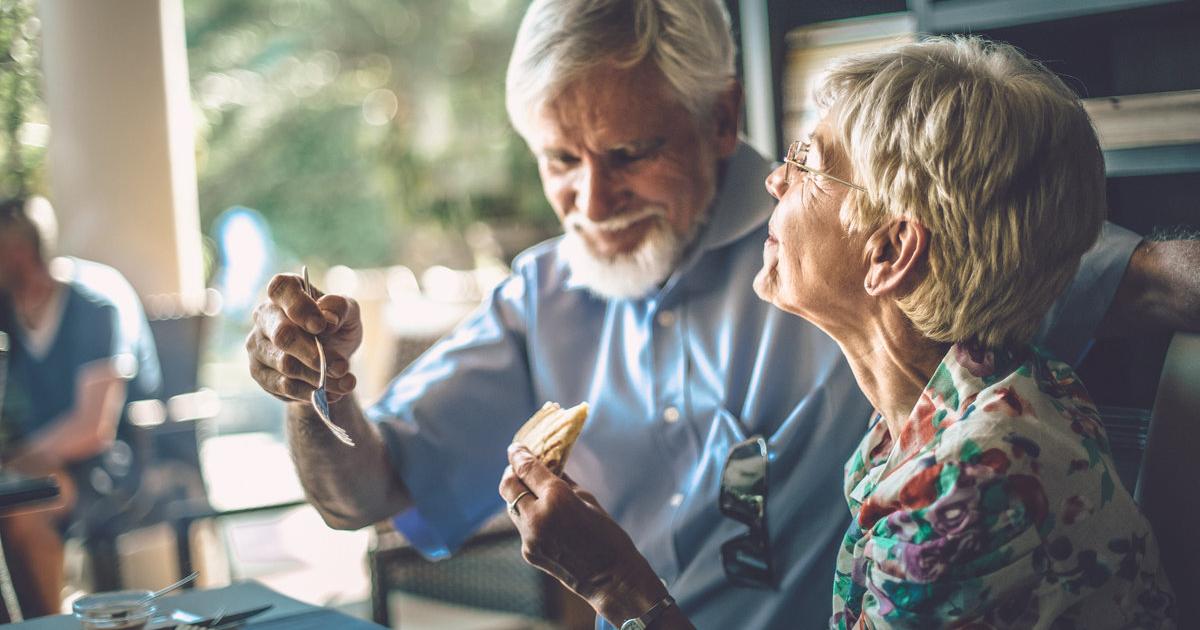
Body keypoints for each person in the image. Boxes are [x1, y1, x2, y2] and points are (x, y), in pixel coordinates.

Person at [246, 1, 1199, 627]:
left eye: (626, 152)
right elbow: (362, 495)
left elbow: (1123, 271)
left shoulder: (905, 295)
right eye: (558, 161)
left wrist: (615, 586)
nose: (589, 197)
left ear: (721, 118)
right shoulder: (543, 293)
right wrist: (312, 385)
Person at [499, 36, 1178, 628]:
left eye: (806, 163)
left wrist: (614, 585)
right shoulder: (986, 396)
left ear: (888, 253)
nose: (772, 180)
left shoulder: (964, 493)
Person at [0, 196, 161, 617]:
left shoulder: (94, 307)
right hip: (30, 465)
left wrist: (14, 461)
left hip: (103, 467)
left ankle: (43, 624)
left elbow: (94, 428)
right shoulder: (6, 311)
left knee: (22, 511)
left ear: (17, 252)